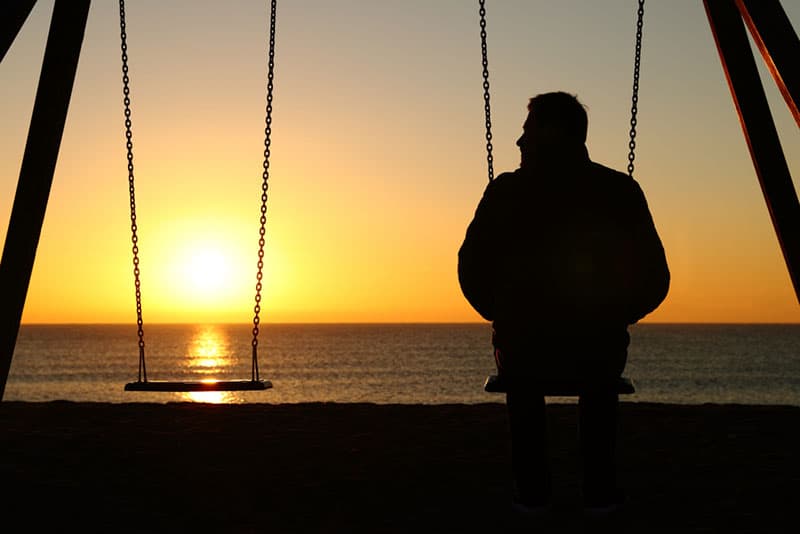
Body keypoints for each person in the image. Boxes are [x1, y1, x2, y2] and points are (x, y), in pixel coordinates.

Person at [458, 92, 669, 514]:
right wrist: (617, 315)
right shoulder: (618, 190)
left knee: (521, 368)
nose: (519, 142)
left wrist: (501, 312)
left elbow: (470, 269)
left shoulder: (506, 192)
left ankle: (532, 494)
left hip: (525, 345)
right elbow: (655, 279)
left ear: (553, 132)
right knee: (598, 373)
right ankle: (599, 493)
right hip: (597, 347)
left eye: (528, 130)